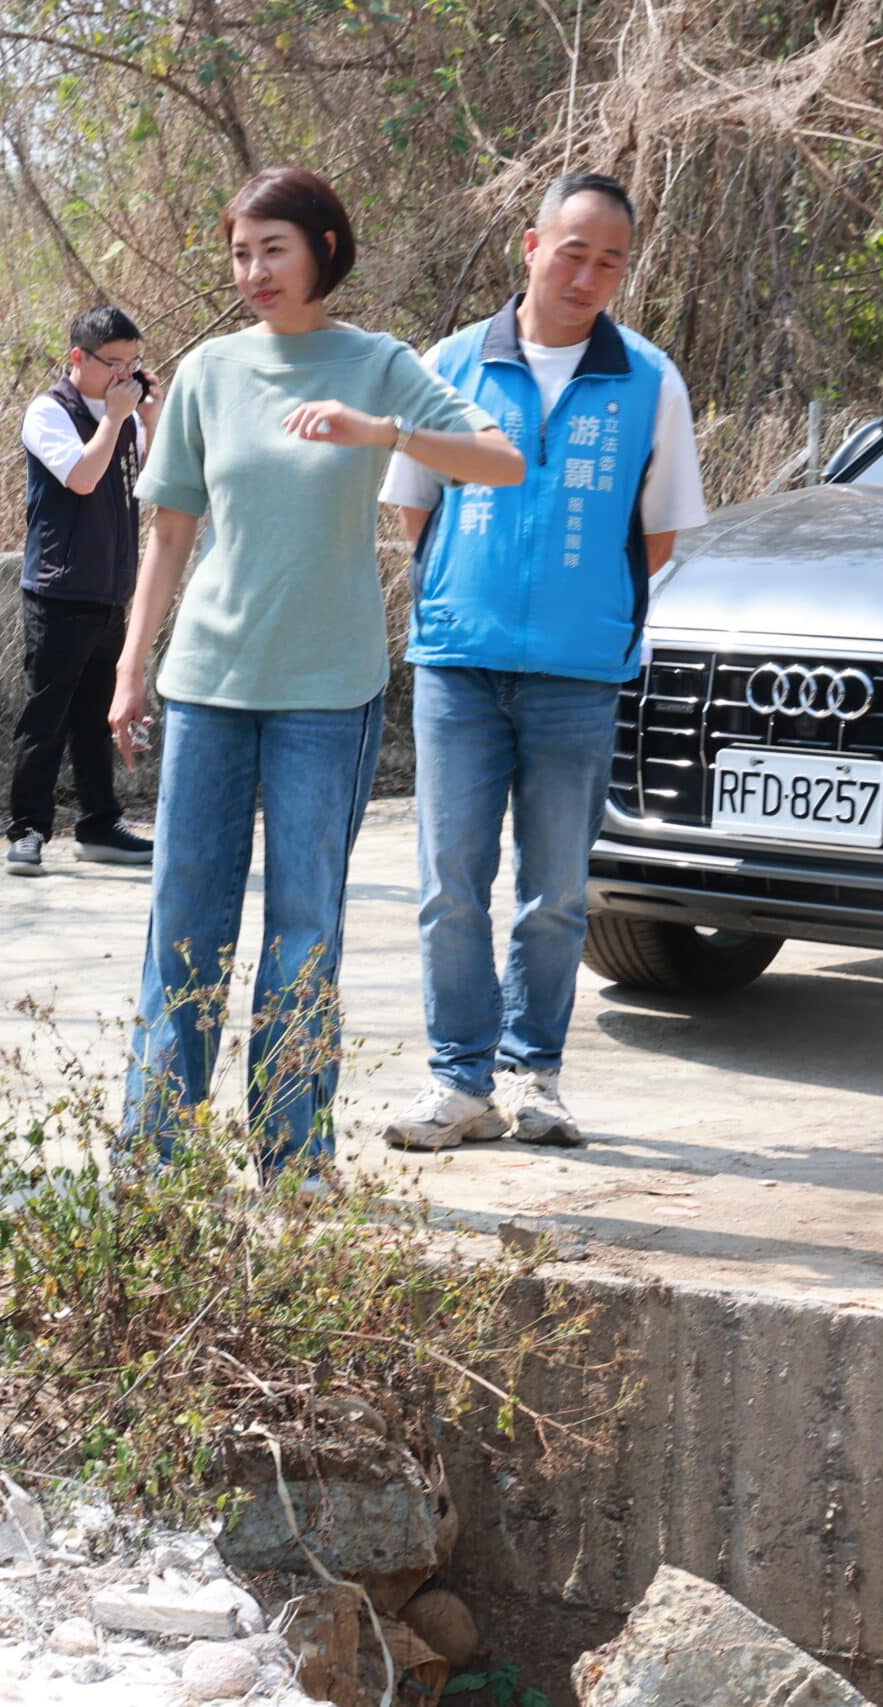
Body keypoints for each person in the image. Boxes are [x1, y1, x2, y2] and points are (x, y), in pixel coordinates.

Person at [107, 166, 522, 1171]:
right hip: (206, 684)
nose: (253, 272)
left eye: (273, 250)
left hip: (326, 698)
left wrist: (382, 434)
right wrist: (129, 671)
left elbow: (500, 459)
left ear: (324, 249)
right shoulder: (206, 371)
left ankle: (292, 1165)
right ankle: (154, 1160)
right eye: (240, 254)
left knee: (304, 934)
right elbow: (168, 535)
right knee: (184, 929)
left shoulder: (377, 363)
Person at [379, 173, 707, 1152]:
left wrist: (581, 608)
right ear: (530, 246)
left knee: (556, 889)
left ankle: (537, 1077)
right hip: (458, 664)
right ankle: (458, 1083)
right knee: (449, 882)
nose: (588, 274)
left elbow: (657, 537)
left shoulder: (648, 380)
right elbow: (413, 508)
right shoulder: (448, 368)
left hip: (577, 672)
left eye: (610, 259)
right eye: (573, 250)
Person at [10, 303, 162, 877]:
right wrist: (117, 418)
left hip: (110, 589)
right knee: (45, 717)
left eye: (133, 363)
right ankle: (27, 830)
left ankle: (99, 822)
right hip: (59, 589)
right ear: (78, 357)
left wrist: (152, 410)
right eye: (113, 363)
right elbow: (81, 476)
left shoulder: (124, 414)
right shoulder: (49, 412)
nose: (124, 374)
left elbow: (159, 470)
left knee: (101, 718)